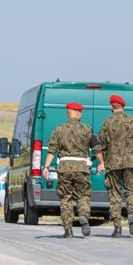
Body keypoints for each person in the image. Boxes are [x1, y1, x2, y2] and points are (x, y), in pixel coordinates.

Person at [42, 101, 102, 238]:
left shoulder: (58, 130)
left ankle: (68, 230)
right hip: (82, 168)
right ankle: (83, 216)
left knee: (65, 198)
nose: (81, 114)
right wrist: (101, 162)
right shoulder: (87, 129)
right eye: (79, 111)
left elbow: (52, 150)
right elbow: (96, 148)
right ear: (74, 112)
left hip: (64, 169)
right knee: (83, 196)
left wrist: (46, 167)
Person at [97, 94, 133, 237]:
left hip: (113, 163)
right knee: (131, 190)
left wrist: (101, 160)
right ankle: (131, 211)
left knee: (114, 194)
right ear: (123, 106)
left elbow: (100, 144)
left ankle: (117, 228)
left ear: (112, 107)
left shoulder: (108, 123)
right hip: (132, 162)